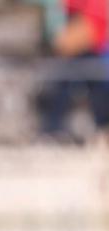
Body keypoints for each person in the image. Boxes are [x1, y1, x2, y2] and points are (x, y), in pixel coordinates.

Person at [38, 0, 109, 140]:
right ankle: (53, 128)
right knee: (63, 83)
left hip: (95, 48)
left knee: (98, 88)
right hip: (81, 47)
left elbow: (93, 22)